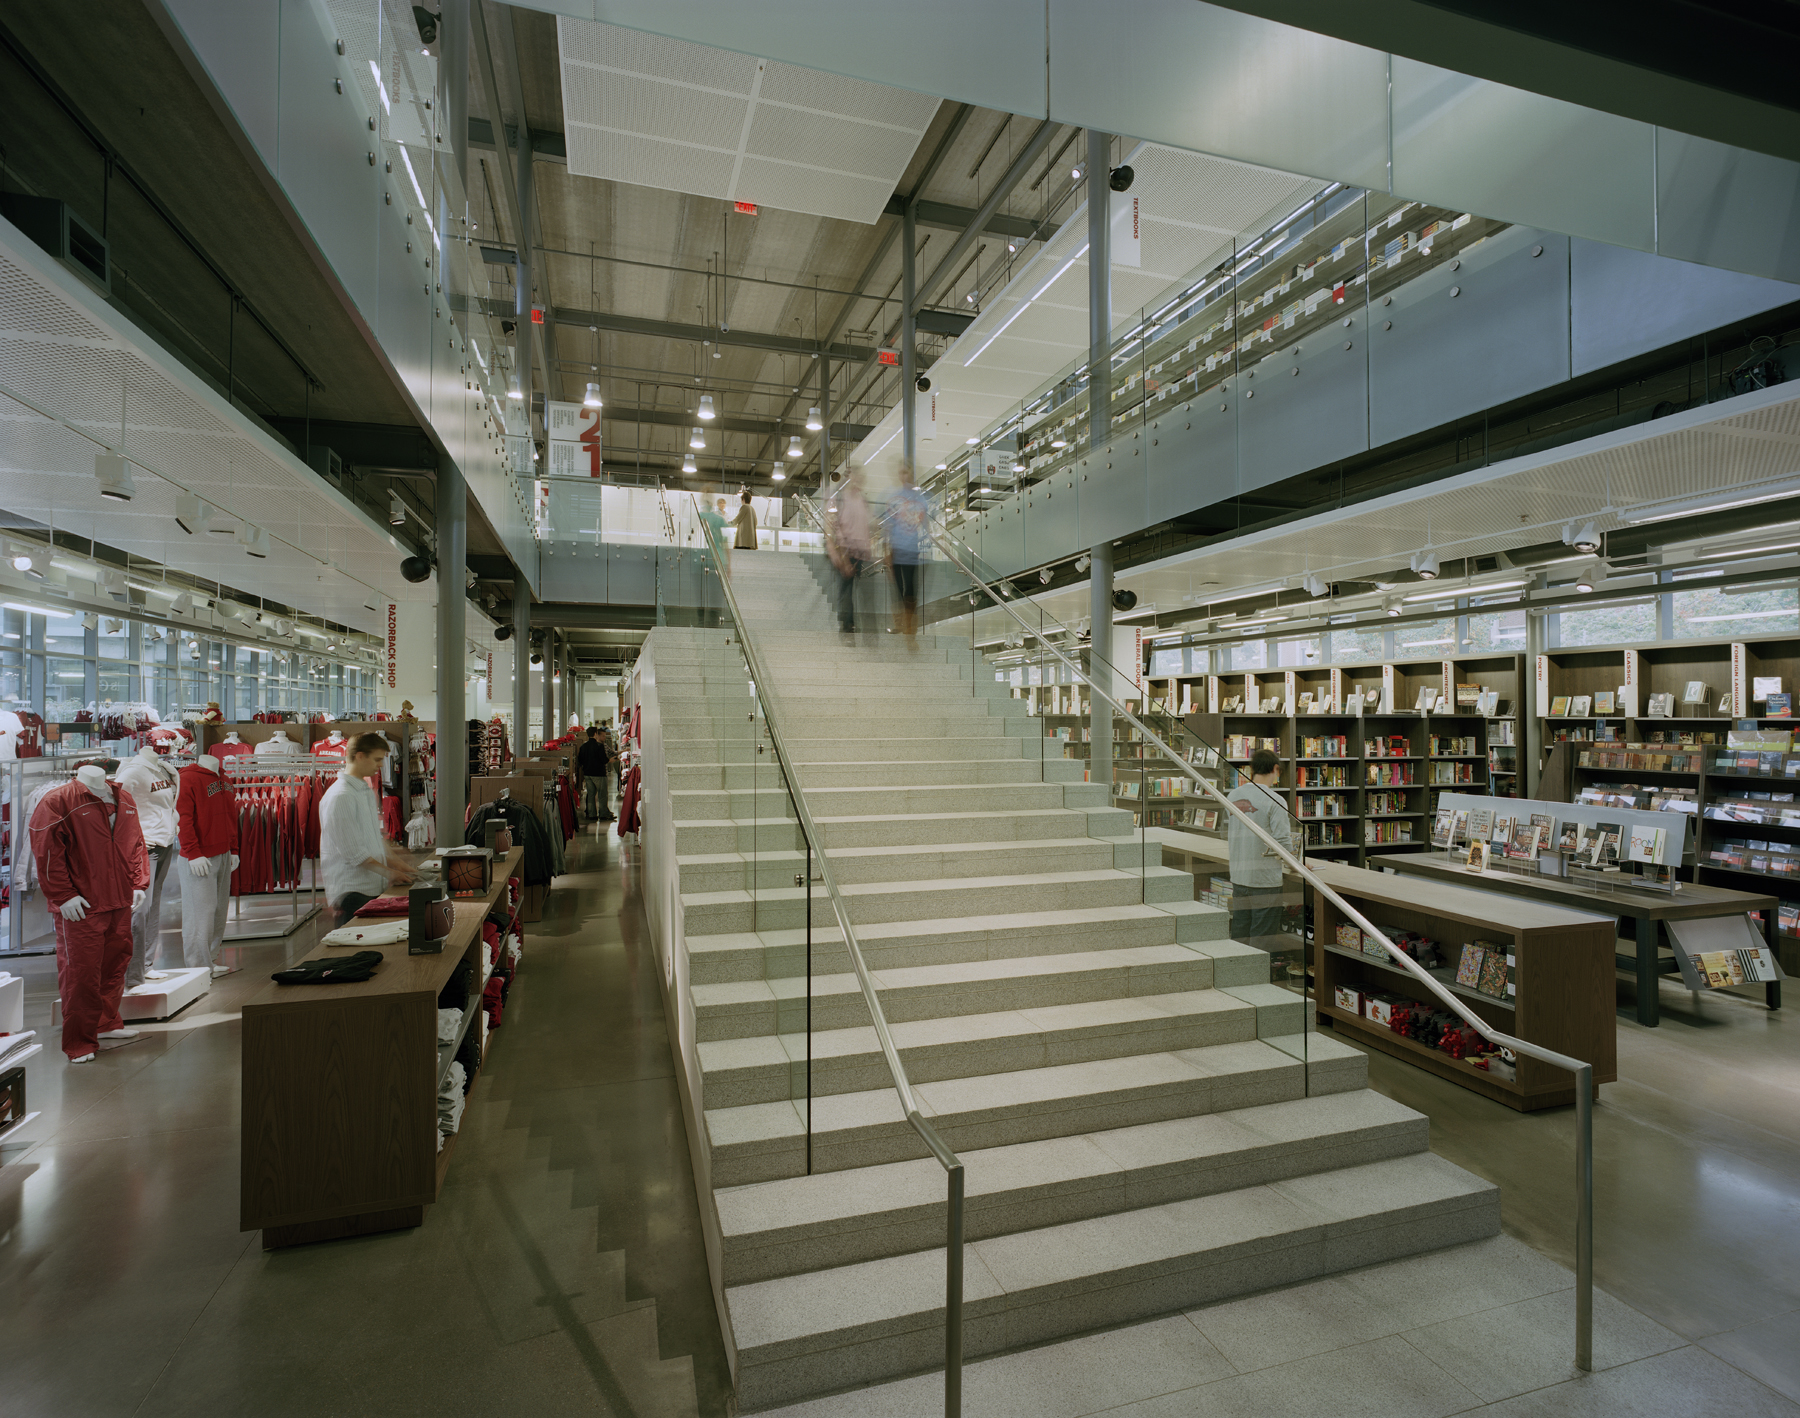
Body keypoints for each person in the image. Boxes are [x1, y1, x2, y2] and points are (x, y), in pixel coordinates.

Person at [320, 732, 416, 925]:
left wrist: (398, 864)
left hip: (371, 887)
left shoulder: (363, 791)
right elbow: (354, 853)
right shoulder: (341, 796)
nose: (380, 765)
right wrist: (390, 872)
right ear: (360, 756)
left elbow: (374, 837)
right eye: (377, 759)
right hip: (352, 892)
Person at [1227, 747, 1295, 946]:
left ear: (1252, 769)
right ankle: (1258, 977)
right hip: (1265, 882)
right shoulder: (1276, 800)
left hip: (1239, 878)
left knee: (1239, 934)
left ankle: (1238, 975)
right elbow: (1282, 841)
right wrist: (1296, 865)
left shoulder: (1232, 796)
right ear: (1275, 768)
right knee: (1261, 940)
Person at [882, 462, 930, 643]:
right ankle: (901, 623)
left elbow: (925, 520)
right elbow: (888, 525)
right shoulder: (893, 496)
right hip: (896, 549)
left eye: (907, 472)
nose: (904, 476)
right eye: (901, 472)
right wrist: (886, 549)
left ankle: (910, 625)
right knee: (898, 588)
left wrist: (932, 536)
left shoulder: (919, 498)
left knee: (909, 588)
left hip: (911, 550)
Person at [828, 464, 871, 636]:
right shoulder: (842, 498)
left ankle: (854, 625)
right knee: (845, 590)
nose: (859, 480)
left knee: (855, 590)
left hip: (860, 552)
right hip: (846, 552)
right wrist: (843, 557)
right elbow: (839, 528)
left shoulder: (862, 499)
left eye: (861, 477)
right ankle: (847, 626)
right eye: (856, 476)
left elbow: (865, 527)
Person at [576, 726, 613, 822]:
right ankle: (603, 814)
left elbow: (580, 760)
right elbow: (603, 760)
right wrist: (610, 760)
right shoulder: (599, 746)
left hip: (587, 773)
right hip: (599, 773)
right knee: (602, 794)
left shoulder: (583, 746)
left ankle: (592, 814)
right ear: (595, 734)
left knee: (591, 794)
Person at [732, 490, 758, 555]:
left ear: (743, 499)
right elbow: (756, 522)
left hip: (743, 540)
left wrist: (728, 523)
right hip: (750, 541)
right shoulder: (752, 508)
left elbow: (737, 519)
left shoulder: (744, 507)